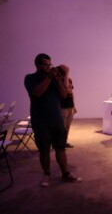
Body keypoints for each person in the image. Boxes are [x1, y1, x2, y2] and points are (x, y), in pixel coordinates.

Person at [24, 53, 81, 187]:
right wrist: (50, 78)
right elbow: (37, 92)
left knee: (60, 148)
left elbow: (63, 94)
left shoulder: (54, 79)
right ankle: (47, 175)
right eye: (45, 64)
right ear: (37, 65)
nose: (48, 67)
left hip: (56, 119)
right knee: (44, 151)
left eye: (49, 64)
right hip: (40, 121)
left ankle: (66, 173)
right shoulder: (30, 78)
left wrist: (58, 80)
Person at [57, 65, 77, 148]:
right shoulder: (59, 81)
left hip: (70, 107)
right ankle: (60, 143)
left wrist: (74, 106)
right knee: (62, 127)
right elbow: (65, 88)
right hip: (62, 107)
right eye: (65, 70)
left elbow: (71, 93)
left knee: (67, 126)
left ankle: (64, 142)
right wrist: (66, 74)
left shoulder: (69, 80)